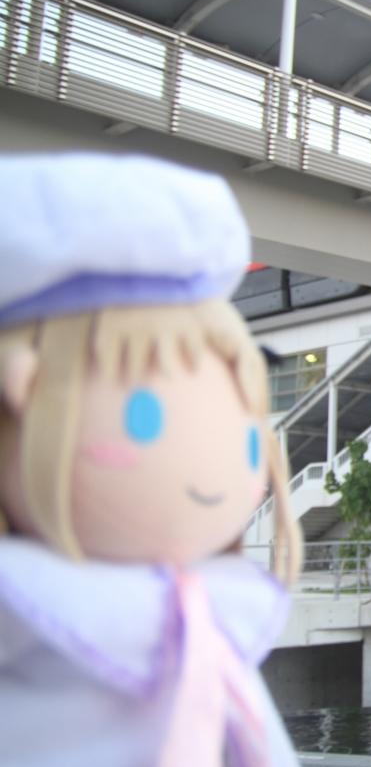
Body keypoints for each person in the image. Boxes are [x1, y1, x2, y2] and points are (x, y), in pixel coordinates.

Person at [0, 154, 301, 766]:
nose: (212, 469)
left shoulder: (208, 620)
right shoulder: (29, 626)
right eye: (146, 418)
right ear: (20, 391)